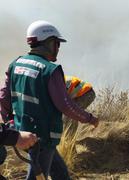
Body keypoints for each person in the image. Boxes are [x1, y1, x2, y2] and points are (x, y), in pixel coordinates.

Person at [0, 20, 99, 180]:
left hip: (23, 132)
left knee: (60, 173)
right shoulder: (50, 70)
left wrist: (9, 124)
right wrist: (89, 118)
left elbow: (4, 97)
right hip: (43, 137)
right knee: (37, 176)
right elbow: (65, 105)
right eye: (56, 43)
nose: (58, 48)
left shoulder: (16, 64)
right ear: (47, 43)